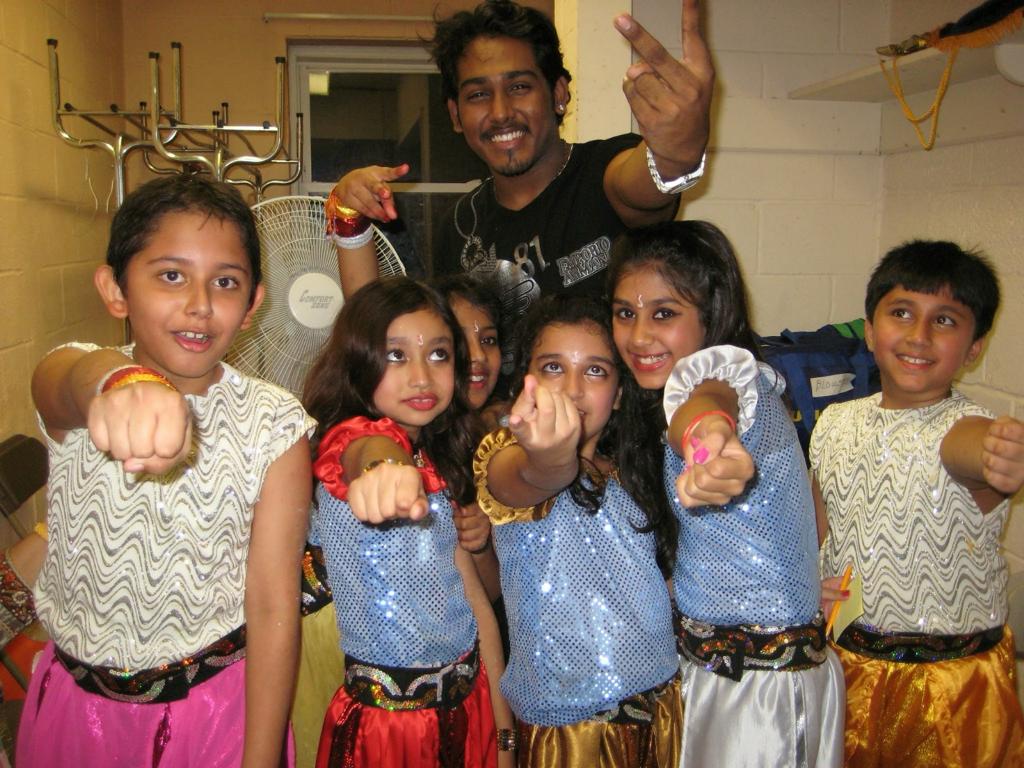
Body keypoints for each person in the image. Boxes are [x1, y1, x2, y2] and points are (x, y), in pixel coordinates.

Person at [17, 175, 314, 768]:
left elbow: (273, 605)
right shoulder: (85, 384)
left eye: (225, 282)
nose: (200, 304)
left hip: (212, 715)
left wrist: (259, 758)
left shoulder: (274, 424)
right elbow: (63, 376)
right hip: (75, 707)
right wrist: (119, 382)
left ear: (253, 303)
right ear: (115, 290)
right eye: (171, 275)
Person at [331, 0, 713, 372]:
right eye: (478, 94)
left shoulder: (603, 173)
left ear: (558, 93)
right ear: (456, 114)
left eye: (519, 87)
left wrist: (677, 150)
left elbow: (648, 182)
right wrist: (349, 220)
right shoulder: (459, 226)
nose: (500, 112)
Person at [607, 220, 845, 767]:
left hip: (760, 693)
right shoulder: (657, 402)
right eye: (624, 313)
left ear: (711, 312)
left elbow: (706, 406)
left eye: (663, 313)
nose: (638, 336)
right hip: (723, 674)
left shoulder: (728, 378)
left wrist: (706, 441)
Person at [811, 240, 1024, 768]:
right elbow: (820, 527)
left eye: (945, 320)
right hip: (847, 667)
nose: (919, 335)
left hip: (951, 688)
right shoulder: (835, 422)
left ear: (974, 349)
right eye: (902, 313)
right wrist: (806, 582)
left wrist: (998, 452)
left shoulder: (964, 428)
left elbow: (967, 448)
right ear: (869, 329)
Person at [302, 277, 513, 768]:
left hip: (470, 704)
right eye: (396, 356)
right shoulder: (349, 440)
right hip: (389, 730)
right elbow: (363, 448)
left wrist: (503, 734)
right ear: (359, 360)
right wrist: (383, 468)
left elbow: (476, 607)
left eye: (438, 354)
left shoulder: (435, 459)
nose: (421, 377)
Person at [473, 295, 681, 766]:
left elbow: (648, 588)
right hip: (571, 736)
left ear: (620, 392)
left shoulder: (631, 474)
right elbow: (530, 475)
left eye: (595, 371)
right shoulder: (507, 456)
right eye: (553, 368)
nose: (572, 388)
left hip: (661, 713)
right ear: (524, 383)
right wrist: (550, 457)